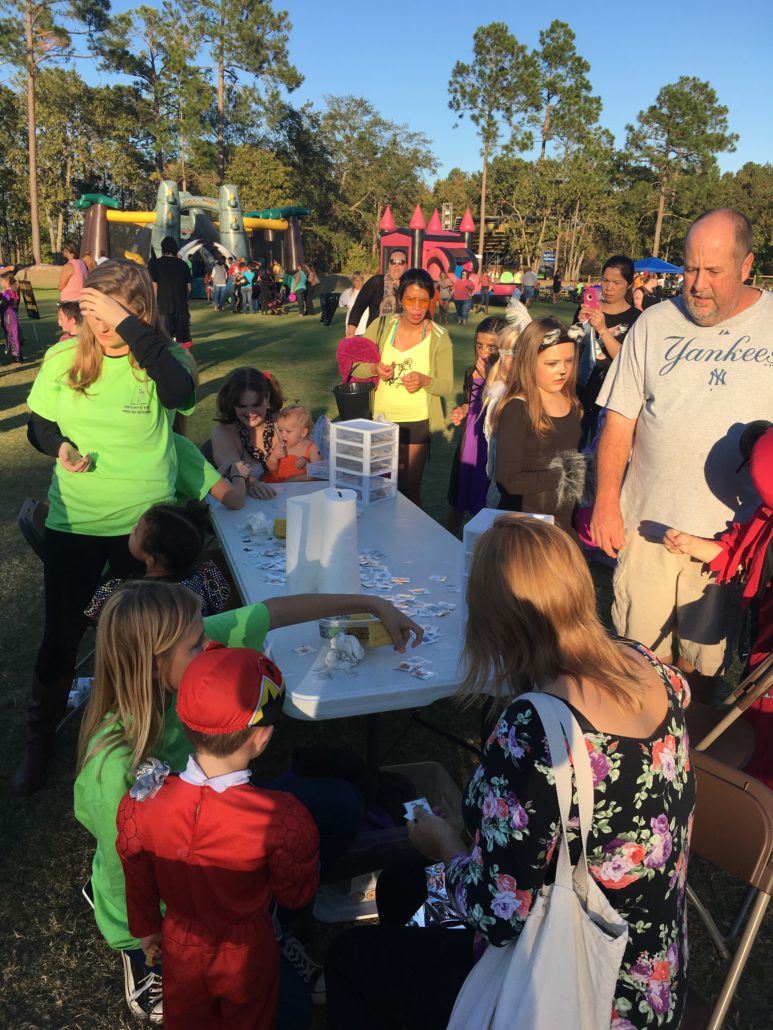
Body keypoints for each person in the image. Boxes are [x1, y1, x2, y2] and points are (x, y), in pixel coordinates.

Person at [325, 518, 695, 1030]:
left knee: (351, 957)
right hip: (654, 972)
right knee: (401, 885)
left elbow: (496, 916)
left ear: (494, 622)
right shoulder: (652, 667)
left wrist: (444, 843)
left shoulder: (536, 727)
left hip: (584, 991)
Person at [74, 579, 422, 1021]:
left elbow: (273, 612)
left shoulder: (188, 646)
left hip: (217, 819)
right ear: (154, 663)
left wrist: (370, 602)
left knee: (340, 804)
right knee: (287, 1011)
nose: (211, 646)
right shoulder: (114, 770)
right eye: (196, 645)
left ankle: (275, 926)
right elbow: (136, 866)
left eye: (204, 633)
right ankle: (147, 962)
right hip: (172, 901)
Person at [13, 260, 196, 796]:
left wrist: (130, 326)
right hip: (77, 522)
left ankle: (148, 738)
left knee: (152, 640)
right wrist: (59, 446)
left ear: (140, 312)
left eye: (116, 314)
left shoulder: (164, 358)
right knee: (62, 633)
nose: (104, 326)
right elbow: (39, 425)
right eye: (94, 313)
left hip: (147, 528)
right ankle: (40, 738)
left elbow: (179, 393)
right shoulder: (63, 358)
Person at [591, 209, 773, 699]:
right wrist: (606, 503)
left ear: (747, 265)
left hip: (727, 544)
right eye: (690, 268)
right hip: (647, 528)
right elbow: (619, 420)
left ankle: (690, 748)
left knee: (704, 674)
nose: (697, 284)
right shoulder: (654, 323)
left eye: (713, 271)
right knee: (638, 666)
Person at [116, 645, 320, 1030]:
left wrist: (148, 927)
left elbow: (136, 868)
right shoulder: (282, 817)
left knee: (185, 1017)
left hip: (180, 939)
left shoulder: (142, 804)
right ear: (262, 737)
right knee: (251, 1017)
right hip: (247, 948)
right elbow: (296, 894)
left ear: (185, 722)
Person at [664, 421, 773, 787]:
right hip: (762, 646)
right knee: (757, 729)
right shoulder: (764, 518)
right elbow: (739, 552)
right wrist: (692, 545)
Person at [359, 268, 453, 506]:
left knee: (409, 492)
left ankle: (413, 531)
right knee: (378, 489)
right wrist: (374, 368)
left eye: (423, 301)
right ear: (400, 298)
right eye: (410, 300)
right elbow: (354, 366)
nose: (417, 308)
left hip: (416, 421)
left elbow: (446, 387)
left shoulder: (439, 336)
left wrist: (424, 380)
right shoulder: (380, 326)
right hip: (379, 421)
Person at [494, 318, 583, 531]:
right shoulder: (518, 409)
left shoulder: (571, 401)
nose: (563, 370)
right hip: (527, 525)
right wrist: (565, 473)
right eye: (552, 363)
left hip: (563, 521)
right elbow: (507, 480)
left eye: (569, 361)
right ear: (529, 360)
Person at [85, 501, 229, 620]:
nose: (133, 529)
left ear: (150, 558)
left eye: (137, 531)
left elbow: (99, 619)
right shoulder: (206, 576)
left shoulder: (119, 594)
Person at [446, 316, 507, 534]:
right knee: (458, 500)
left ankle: (481, 546)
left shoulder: (509, 377)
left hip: (489, 448)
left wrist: (489, 377)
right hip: (469, 446)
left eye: (491, 347)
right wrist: (463, 410)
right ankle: (448, 542)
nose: (483, 352)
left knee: (485, 507)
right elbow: (472, 403)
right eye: (479, 345)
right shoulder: (471, 372)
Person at [574, 255, 640, 441]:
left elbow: (626, 359)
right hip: (580, 393)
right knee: (573, 448)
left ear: (629, 284)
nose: (609, 288)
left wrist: (602, 330)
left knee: (601, 448)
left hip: (612, 397)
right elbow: (573, 351)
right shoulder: (587, 309)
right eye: (605, 280)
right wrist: (580, 326)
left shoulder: (636, 318)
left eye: (617, 283)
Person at [209, 366, 283, 499]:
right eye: (242, 406)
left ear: (267, 398)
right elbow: (231, 467)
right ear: (232, 404)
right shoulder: (223, 432)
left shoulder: (282, 422)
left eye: (256, 405)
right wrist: (251, 483)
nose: (250, 412)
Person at [346, 251, 407, 335]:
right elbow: (358, 307)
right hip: (375, 335)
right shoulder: (376, 282)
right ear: (388, 265)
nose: (396, 265)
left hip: (402, 336)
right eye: (393, 262)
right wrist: (350, 333)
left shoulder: (410, 286)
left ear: (406, 266)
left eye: (401, 262)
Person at [147, 237, 193, 345]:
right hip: (181, 308)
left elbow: (154, 288)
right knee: (183, 343)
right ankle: (183, 356)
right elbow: (189, 288)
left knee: (164, 342)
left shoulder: (155, 265)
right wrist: (183, 300)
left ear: (163, 248)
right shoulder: (183, 264)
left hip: (163, 308)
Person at [263, 403, 323, 484]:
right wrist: (273, 458)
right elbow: (272, 470)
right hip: (278, 481)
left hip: (299, 485)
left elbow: (317, 474)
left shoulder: (312, 448)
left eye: (288, 431)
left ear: (303, 432)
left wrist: (306, 465)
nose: (283, 435)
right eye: (280, 430)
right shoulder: (280, 445)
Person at [1, 271, 24, 363]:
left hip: (9, 316)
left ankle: (17, 356)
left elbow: (4, 303)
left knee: (12, 335)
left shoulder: (9, 292)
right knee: (11, 335)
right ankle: (16, 354)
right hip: (9, 315)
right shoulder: (10, 291)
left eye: (2, 281)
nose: (1, 283)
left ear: (7, 282)